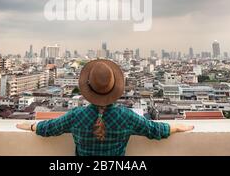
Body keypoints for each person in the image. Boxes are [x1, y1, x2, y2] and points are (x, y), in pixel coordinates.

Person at [16, 59, 194, 156]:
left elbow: (49, 128)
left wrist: (30, 125)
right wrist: (178, 126)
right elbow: (154, 130)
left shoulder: (76, 115)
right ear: (114, 88)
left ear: (88, 88)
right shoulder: (126, 116)